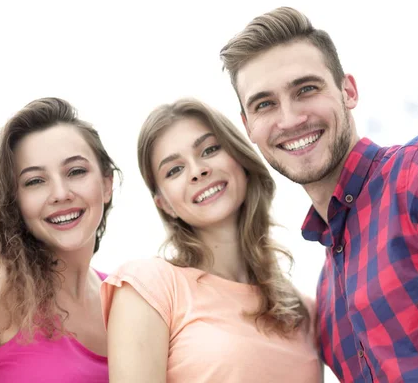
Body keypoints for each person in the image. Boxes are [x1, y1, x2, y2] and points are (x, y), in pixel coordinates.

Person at [219, 6, 418, 382]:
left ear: (348, 91)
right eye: (265, 104)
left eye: (306, 89)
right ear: (249, 126)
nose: (290, 118)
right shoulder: (328, 297)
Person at [100, 98, 322, 382]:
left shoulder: (303, 310)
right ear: (164, 203)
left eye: (210, 149)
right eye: (174, 170)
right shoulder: (147, 287)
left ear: (240, 159)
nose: (197, 170)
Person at [0, 97, 119, 382]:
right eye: (35, 181)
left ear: (106, 184)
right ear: (14, 201)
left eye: (76, 172)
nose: (60, 193)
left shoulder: (122, 299)